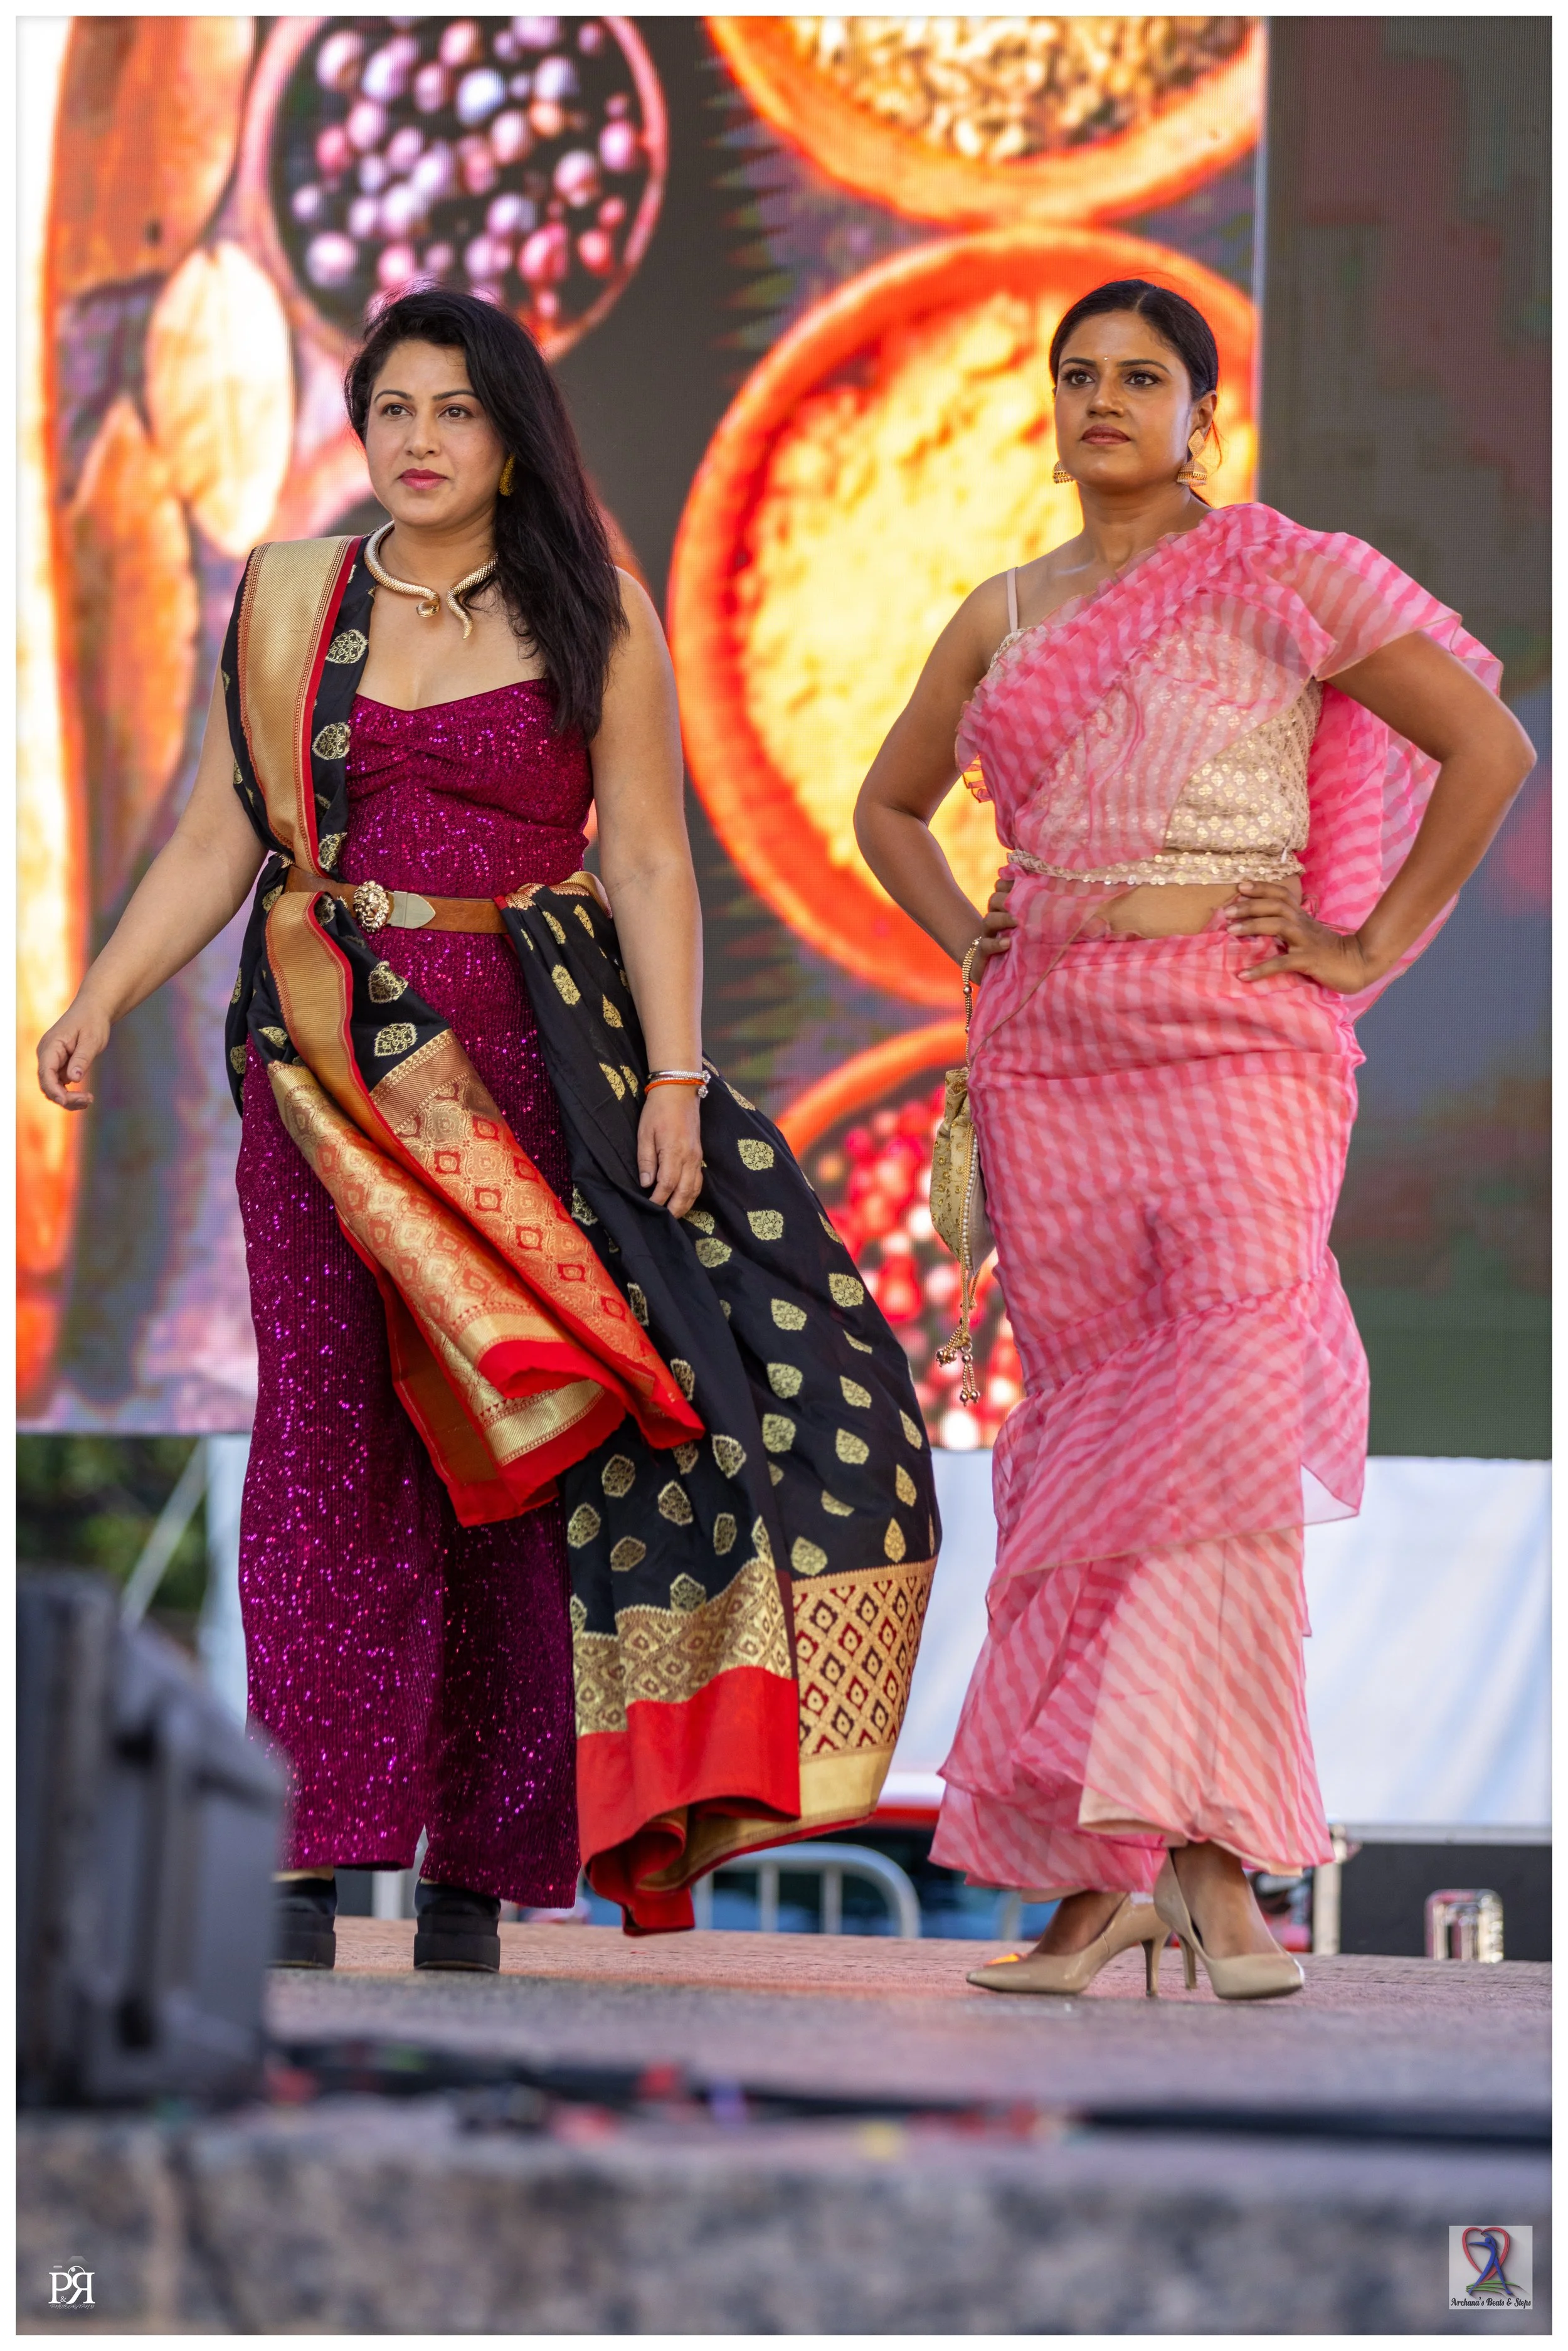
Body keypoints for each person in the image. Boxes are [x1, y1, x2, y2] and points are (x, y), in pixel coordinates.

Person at [39, 287, 940, 1963]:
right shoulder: (294, 605)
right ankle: (306, 1849)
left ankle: (481, 1865)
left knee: (518, 1454)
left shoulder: (595, 612)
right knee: (325, 1440)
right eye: (393, 408)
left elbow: (650, 860)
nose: (419, 440)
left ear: (514, 438)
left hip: (530, 1078)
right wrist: (100, 994)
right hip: (325, 1074)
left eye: (455, 410)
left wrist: (676, 1082)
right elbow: (222, 839)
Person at [854, 278, 1532, 2000]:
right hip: (1050, 1059)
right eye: (1076, 373)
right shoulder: (1003, 612)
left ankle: (1167, 1877)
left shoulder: (1286, 570)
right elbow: (887, 805)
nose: (1102, 398)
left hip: (1240, 1045)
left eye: (1139, 376)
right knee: (1101, 1454)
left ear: (1199, 415)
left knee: (1217, 1426)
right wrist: (968, 937)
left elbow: (1488, 746)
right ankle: (1167, 1873)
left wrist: (1368, 946)